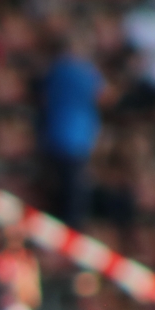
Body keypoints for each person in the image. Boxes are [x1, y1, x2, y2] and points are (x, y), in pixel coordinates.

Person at [37, 27, 104, 229]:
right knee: (72, 196)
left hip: (59, 137)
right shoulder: (80, 72)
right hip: (72, 139)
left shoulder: (54, 70)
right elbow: (104, 94)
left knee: (61, 191)